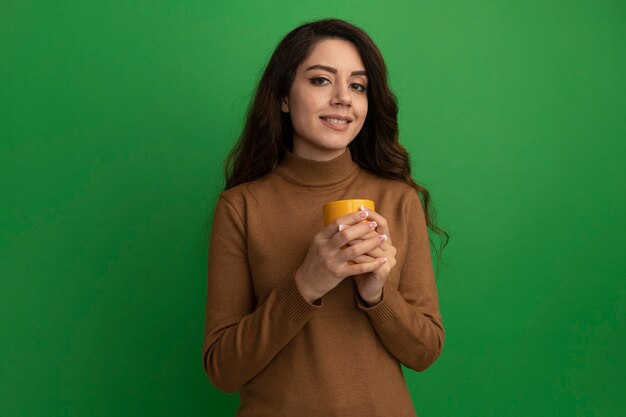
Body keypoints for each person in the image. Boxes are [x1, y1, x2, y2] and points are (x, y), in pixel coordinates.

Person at [202, 18, 448, 417]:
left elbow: (425, 353)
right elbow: (223, 371)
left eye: (357, 86)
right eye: (320, 80)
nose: (343, 99)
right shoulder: (240, 207)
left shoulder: (399, 200)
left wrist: (377, 295)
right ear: (284, 96)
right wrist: (306, 284)